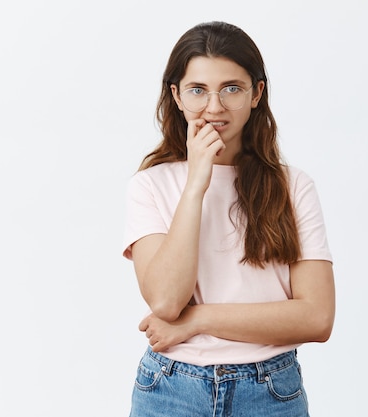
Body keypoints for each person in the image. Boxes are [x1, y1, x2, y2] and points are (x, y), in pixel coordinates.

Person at [122, 21, 335, 417]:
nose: (215, 107)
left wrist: (198, 320)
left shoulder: (293, 187)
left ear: (256, 93)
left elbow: (317, 317)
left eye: (232, 88)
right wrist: (195, 183)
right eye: (198, 90)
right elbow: (166, 302)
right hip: (170, 390)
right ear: (177, 96)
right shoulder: (149, 186)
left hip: (270, 392)